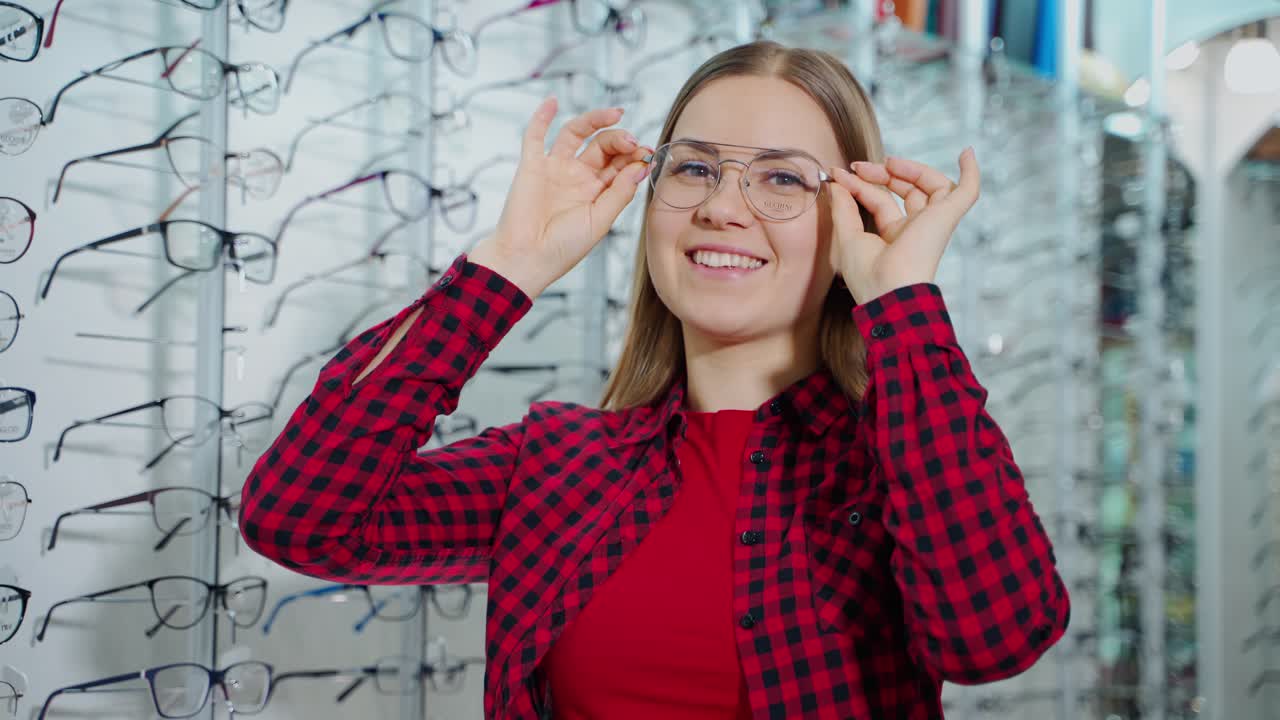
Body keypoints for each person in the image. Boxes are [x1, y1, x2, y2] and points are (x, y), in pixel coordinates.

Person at [240, 40, 1070, 720]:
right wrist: (505, 269)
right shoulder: (557, 466)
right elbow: (300, 519)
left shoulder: (895, 467)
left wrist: (902, 304)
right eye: (695, 168)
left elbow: (993, 639)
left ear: (850, 216)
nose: (722, 208)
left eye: (781, 178)